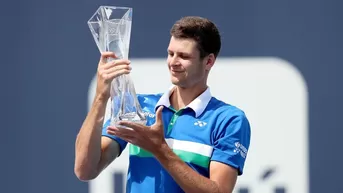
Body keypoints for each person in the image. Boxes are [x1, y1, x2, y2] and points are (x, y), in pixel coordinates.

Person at [74, 16, 251, 193]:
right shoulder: (139, 107)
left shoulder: (229, 119)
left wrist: (159, 149)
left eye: (183, 56)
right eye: (170, 53)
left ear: (209, 61)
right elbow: (85, 170)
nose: (173, 62)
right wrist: (100, 97)